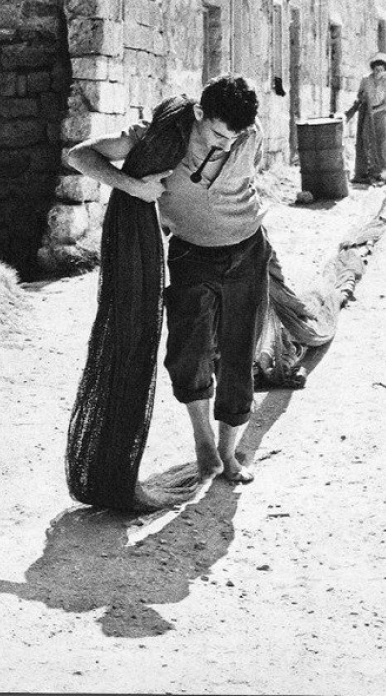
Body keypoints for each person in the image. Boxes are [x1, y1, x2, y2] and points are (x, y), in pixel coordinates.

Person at [66, 74, 268, 486]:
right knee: (187, 353)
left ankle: (228, 456)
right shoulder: (161, 136)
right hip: (191, 254)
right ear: (199, 114)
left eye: (235, 137)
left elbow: (245, 177)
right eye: (216, 134)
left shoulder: (250, 135)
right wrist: (131, 186)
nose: (226, 144)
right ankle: (203, 443)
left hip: (248, 251)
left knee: (238, 355)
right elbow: (80, 155)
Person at [344, 53, 386, 185]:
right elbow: (359, 93)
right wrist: (362, 97)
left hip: (379, 113)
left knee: (380, 141)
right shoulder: (365, 80)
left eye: (381, 70)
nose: (378, 72)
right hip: (366, 111)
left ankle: (380, 171)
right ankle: (362, 171)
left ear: (384, 71)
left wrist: (375, 110)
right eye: (376, 69)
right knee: (364, 140)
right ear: (373, 69)